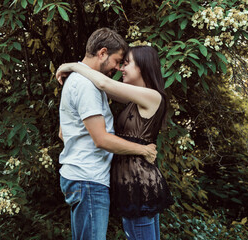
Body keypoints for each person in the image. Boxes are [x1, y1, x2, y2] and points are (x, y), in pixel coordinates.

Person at [56, 45, 174, 240]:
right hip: (130, 185)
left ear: (143, 67)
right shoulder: (133, 100)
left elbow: (103, 83)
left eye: (127, 64)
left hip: (139, 185)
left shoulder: (152, 96)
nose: (121, 68)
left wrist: (71, 66)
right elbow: (99, 85)